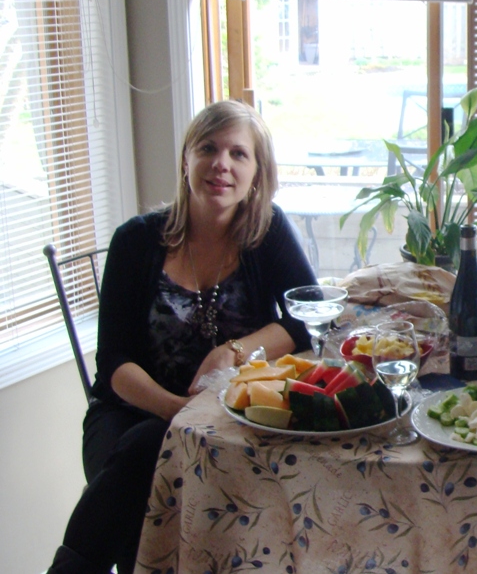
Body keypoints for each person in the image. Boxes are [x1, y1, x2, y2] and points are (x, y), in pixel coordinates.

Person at [48, 100, 317, 574]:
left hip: (230, 415)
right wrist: (178, 412)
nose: (221, 164)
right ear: (186, 160)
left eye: (238, 153)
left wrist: (232, 351)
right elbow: (113, 364)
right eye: (208, 149)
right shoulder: (135, 241)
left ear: (257, 173)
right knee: (146, 452)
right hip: (131, 413)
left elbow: (306, 319)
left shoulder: (268, 231)